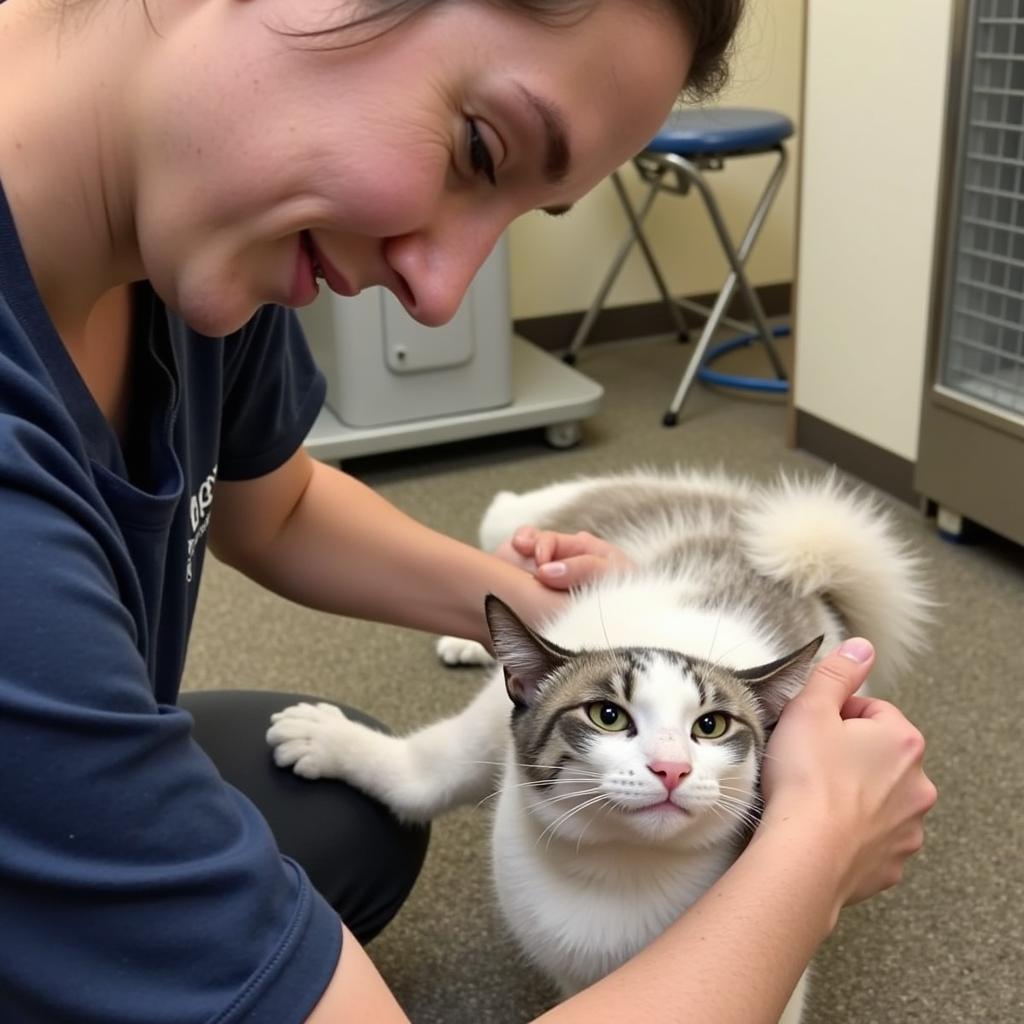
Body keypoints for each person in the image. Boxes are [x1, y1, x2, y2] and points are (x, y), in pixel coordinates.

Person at [0, 0, 936, 1021]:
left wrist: (567, 628)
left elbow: (281, 506)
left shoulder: (191, 239)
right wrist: (810, 850)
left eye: (521, 216)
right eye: (480, 148)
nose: (440, 291)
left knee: (345, 819)